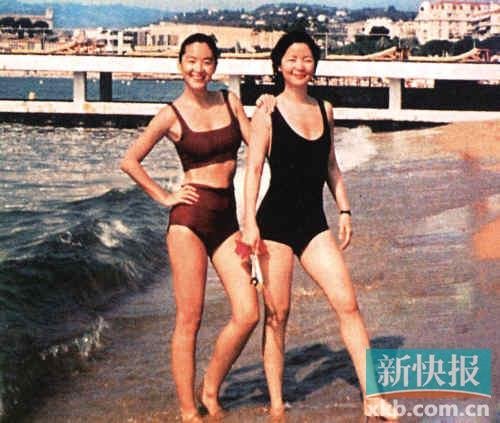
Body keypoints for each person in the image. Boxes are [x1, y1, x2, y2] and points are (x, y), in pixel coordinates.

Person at [242, 31, 398, 420]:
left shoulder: (325, 109)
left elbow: (331, 165)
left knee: (348, 304)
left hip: (314, 224)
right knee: (277, 315)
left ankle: (373, 396)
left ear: (314, 65)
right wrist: (248, 223)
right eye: (292, 59)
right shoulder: (266, 113)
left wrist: (345, 211)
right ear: (279, 65)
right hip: (274, 225)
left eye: (307, 59)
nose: (300, 65)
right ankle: (276, 403)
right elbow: (254, 170)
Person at [121, 33, 272, 422]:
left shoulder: (229, 101)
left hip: (227, 218)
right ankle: (189, 410)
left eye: (206, 61)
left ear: (215, 65)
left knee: (248, 312)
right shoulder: (171, 114)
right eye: (191, 60)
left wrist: (265, 111)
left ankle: (210, 387)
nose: (198, 68)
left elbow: (259, 145)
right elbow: (130, 161)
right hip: (189, 220)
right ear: (180, 64)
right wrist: (165, 196)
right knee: (190, 319)